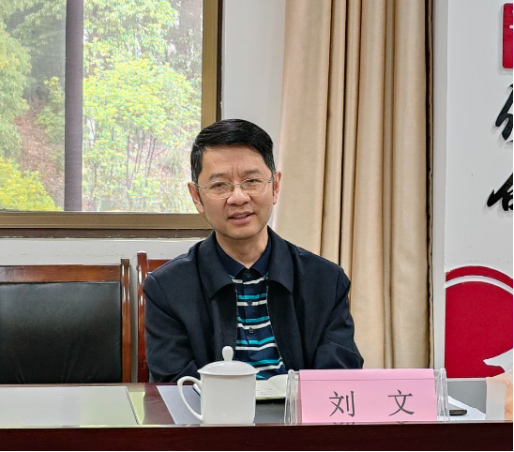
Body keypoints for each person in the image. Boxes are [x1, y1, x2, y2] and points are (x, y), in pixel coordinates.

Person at [144, 119, 363, 382]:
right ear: (196, 197)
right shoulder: (167, 288)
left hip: (299, 411)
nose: (238, 197)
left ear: (275, 186)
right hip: (211, 411)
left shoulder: (326, 281)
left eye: (252, 181)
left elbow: (338, 380)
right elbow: (175, 386)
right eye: (219, 185)